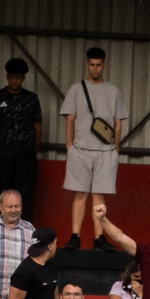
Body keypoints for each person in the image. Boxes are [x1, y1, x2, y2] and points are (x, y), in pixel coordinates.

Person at [60, 47, 124, 249]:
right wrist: (69, 146)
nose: (95, 69)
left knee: (99, 195)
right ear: (87, 65)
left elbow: (117, 122)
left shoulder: (113, 91)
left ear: (103, 66)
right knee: (79, 194)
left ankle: (99, 238)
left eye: (98, 65)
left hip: (105, 151)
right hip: (80, 149)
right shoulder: (76, 89)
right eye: (92, 65)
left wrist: (116, 149)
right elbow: (70, 118)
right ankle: (75, 236)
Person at [0, 61, 43, 225]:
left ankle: (28, 237)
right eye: (11, 78)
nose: (14, 81)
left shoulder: (31, 99)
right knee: (3, 197)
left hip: (25, 156)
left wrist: (33, 153)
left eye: (18, 78)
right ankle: (3, 232)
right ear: (7, 77)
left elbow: (38, 128)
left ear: (23, 78)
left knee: (26, 197)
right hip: (2, 155)